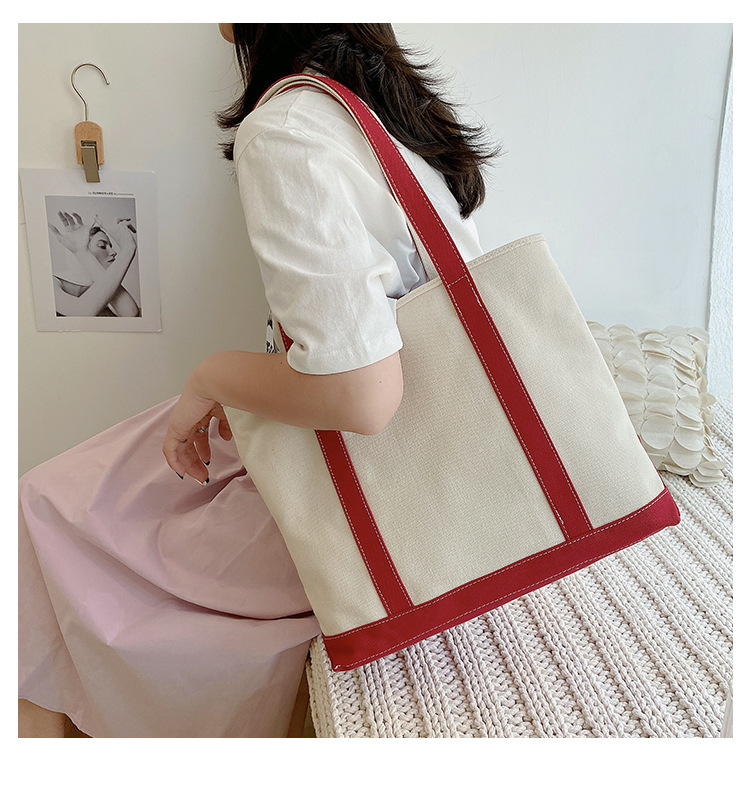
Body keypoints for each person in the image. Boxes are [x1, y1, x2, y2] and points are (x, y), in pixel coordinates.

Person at [18, 23, 496, 737]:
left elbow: (363, 394)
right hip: (440, 474)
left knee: (39, 511)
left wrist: (211, 376)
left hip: (358, 492)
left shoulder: (288, 128)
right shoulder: (397, 115)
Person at [48, 211, 140, 317]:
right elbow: (80, 312)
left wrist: (82, 252)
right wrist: (127, 249)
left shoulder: (105, 289)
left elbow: (131, 313)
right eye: (102, 246)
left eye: (110, 246)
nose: (113, 252)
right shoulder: (50, 282)